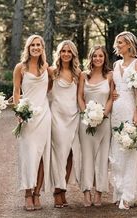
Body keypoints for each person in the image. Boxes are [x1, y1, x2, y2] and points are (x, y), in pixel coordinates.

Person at [12, 35, 51, 211]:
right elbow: (16, 91)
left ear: (43, 48)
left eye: (38, 45)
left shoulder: (46, 68)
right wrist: (19, 111)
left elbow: (49, 88)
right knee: (28, 155)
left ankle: (37, 194)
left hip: (44, 116)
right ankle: (27, 193)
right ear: (28, 48)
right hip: (27, 117)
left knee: (42, 156)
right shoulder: (20, 68)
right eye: (32, 45)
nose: (35, 47)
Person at [109, 31, 137, 209]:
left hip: (130, 110)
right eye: (117, 43)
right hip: (116, 112)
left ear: (129, 44)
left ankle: (128, 195)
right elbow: (113, 88)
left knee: (130, 151)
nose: (118, 45)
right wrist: (113, 93)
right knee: (116, 153)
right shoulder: (115, 64)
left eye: (121, 42)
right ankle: (119, 190)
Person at [78, 45, 114, 207]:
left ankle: (99, 192)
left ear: (104, 58)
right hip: (86, 122)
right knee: (87, 157)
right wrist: (87, 113)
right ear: (90, 58)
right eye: (95, 56)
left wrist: (104, 114)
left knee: (102, 157)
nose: (97, 59)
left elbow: (111, 98)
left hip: (104, 121)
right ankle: (86, 192)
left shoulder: (110, 76)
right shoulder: (83, 75)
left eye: (100, 56)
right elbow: (79, 96)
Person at [48, 40, 81, 208]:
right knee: (58, 154)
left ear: (73, 54)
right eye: (63, 51)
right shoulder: (52, 72)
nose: (66, 54)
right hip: (57, 117)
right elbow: (41, 91)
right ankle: (56, 191)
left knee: (70, 155)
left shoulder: (78, 73)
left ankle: (63, 188)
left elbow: (81, 97)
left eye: (69, 51)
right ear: (59, 53)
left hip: (73, 117)